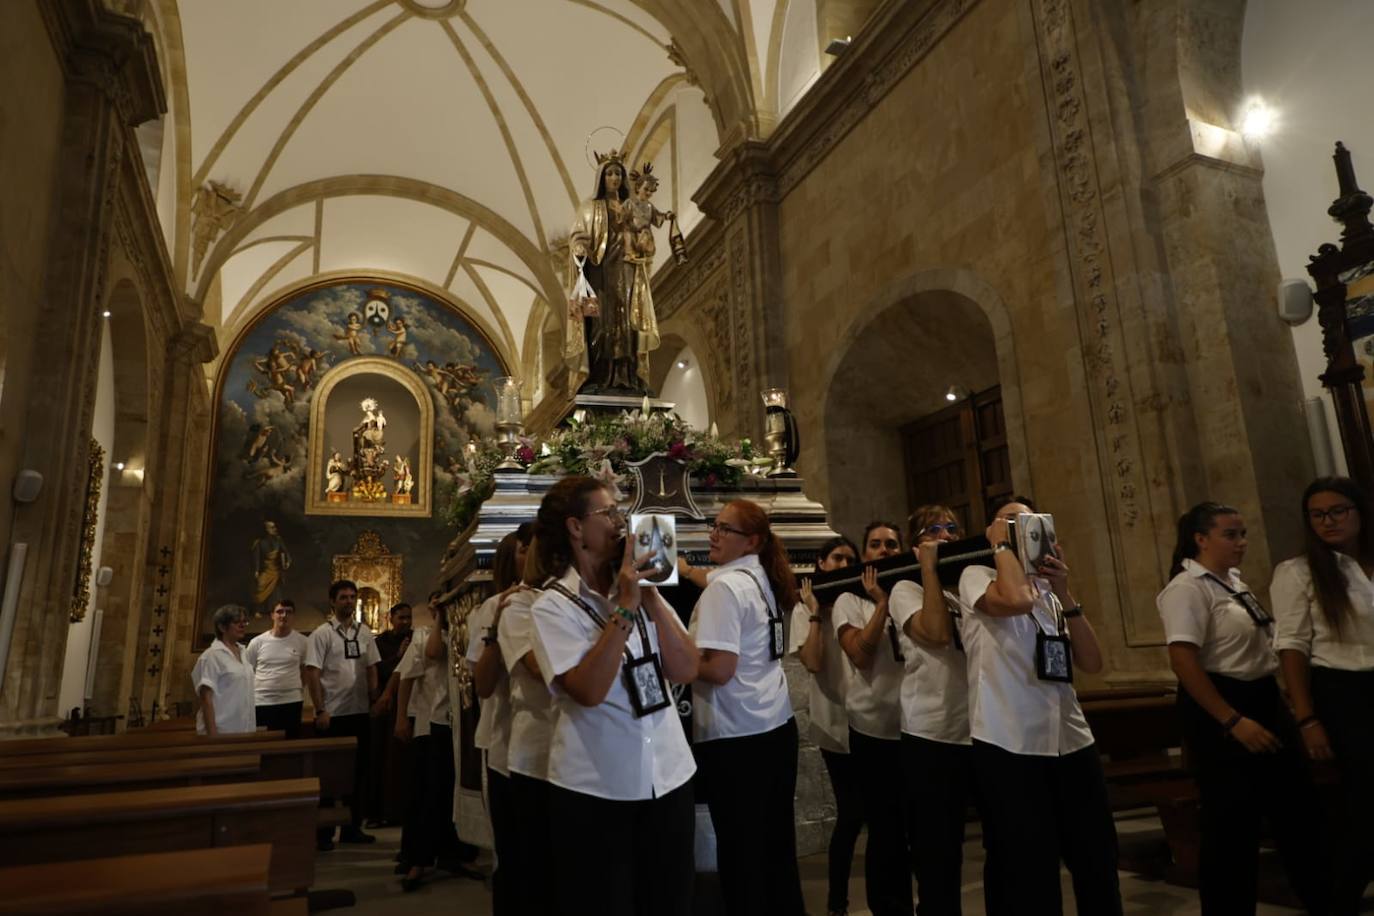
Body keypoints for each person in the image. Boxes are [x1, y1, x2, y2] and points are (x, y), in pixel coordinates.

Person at [528, 476, 698, 916]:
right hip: (598, 791)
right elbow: (588, 689)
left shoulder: (640, 593)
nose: (620, 521)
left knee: (670, 901)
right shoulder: (551, 606)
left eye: (620, 512)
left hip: (669, 776)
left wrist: (652, 596)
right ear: (576, 528)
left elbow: (686, 668)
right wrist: (623, 607)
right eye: (608, 513)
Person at [1160, 501, 1331, 914]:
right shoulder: (1187, 587)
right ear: (1201, 539)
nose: (1242, 543)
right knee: (1231, 828)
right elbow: (1183, 660)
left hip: (1262, 698)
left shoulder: (1233, 581)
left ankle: (1325, 901)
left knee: (1298, 813)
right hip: (1222, 705)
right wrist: (1232, 720)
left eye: (1243, 534)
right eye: (1230, 535)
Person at [958, 496, 1121, 915]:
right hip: (1010, 740)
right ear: (994, 528)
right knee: (1031, 869)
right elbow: (1014, 601)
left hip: (1069, 735)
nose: (1023, 528)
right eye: (1012, 521)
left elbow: (1092, 661)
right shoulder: (975, 575)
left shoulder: (1049, 592)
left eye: (1030, 522)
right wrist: (999, 547)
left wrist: (1065, 591)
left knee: (1096, 857)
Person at [691, 499, 806, 916]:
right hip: (774, 726)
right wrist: (685, 572)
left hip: (734, 736)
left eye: (725, 529)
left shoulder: (725, 587)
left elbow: (719, 670)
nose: (713, 535)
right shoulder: (762, 577)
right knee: (775, 851)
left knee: (742, 858)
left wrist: (677, 663)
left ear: (751, 541)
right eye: (714, 526)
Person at [1272, 477, 1374, 914]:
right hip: (1343, 692)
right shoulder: (1297, 572)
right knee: (1365, 804)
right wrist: (1307, 718)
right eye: (1318, 514)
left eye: (1337, 511)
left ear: (1359, 513)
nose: (1328, 521)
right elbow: (1291, 647)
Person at [889, 507, 985, 916]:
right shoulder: (904, 590)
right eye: (934, 530)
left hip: (977, 729)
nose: (946, 535)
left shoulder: (967, 588)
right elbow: (937, 634)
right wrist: (928, 569)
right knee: (938, 853)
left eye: (952, 529)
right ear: (917, 544)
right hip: (930, 735)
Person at [834, 520, 910, 916]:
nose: (884, 551)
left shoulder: (912, 593)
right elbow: (860, 655)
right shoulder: (850, 600)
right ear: (865, 556)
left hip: (915, 727)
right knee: (884, 831)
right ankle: (888, 907)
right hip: (873, 730)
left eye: (892, 545)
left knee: (916, 830)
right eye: (876, 545)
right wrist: (880, 603)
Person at [790, 535, 862, 916]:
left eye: (849, 559)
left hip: (874, 721)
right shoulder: (806, 610)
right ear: (820, 563)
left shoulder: (863, 599)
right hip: (836, 723)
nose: (842, 564)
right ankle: (837, 903)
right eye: (836, 558)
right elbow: (814, 662)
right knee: (850, 816)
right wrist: (817, 613)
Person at [466, 526, 530, 913]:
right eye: (525, 551)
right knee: (514, 851)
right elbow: (482, 683)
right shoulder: (492, 609)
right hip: (507, 738)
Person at [564, 152, 659, 394]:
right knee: (600, 322)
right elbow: (577, 236)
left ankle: (626, 376)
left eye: (618, 173)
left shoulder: (632, 206)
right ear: (601, 178)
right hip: (599, 273)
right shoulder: (590, 207)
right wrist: (579, 247)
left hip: (627, 271)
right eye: (609, 173)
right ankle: (600, 375)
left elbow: (643, 233)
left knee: (627, 323)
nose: (614, 178)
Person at [497, 537, 557, 916]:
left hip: (571, 753)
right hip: (534, 751)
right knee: (530, 866)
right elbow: (543, 671)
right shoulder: (517, 606)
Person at [305, 578, 382, 850]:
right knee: (328, 775)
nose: (348, 602)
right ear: (333, 601)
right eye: (343, 597)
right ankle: (324, 835)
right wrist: (320, 709)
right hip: (332, 714)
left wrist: (374, 698)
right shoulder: (321, 634)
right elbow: (313, 673)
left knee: (357, 774)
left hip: (359, 711)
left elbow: (372, 667)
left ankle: (352, 829)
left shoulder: (364, 633)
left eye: (352, 597)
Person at [369, 602, 414, 827]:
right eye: (401, 618)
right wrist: (399, 655)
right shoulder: (380, 643)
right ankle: (380, 811)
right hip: (386, 707)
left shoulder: (416, 639)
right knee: (382, 760)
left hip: (407, 705)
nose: (405, 622)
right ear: (391, 618)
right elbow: (379, 671)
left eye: (409, 618)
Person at [244, 599, 308, 737]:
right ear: (272, 615)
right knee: (262, 745)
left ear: (293, 616)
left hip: (291, 701)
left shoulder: (303, 642)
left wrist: (293, 687)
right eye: (280, 611)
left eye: (289, 612)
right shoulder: (257, 642)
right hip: (262, 702)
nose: (284, 615)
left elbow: (305, 671)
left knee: (290, 745)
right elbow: (248, 673)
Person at [191, 604, 255, 736]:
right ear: (222, 627)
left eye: (244, 622)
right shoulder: (211, 656)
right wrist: (213, 736)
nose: (242, 625)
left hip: (245, 730)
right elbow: (206, 698)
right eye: (237, 622)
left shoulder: (244, 652)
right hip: (222, 732)